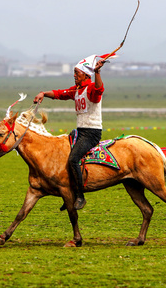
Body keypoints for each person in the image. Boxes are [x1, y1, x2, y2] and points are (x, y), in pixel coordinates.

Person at [34, 54, 111, 210]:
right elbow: (60, 94)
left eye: (77, 73)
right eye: (74, 73)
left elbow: (99, 90)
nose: (74, 76)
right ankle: (68, 193)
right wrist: (43, 93)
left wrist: (97, 73)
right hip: (80, 131)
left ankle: (79, 196)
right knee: (64, 156)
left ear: (85, 75)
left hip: (91, 133)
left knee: (73, 159)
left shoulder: (90, 88)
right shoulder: (77, 89)